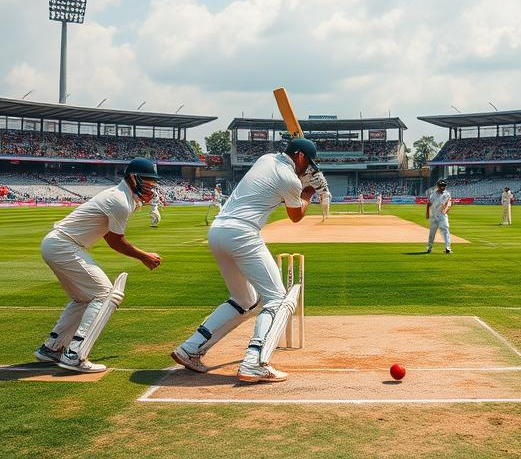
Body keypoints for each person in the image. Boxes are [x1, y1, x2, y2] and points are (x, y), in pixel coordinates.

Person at [171, 138, 327, 383]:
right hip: (241, 233)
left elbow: (279, 180)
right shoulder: (290, 179)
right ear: (298, 156)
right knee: (277, 298)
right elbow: (296, 215)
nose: (307, 169)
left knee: (245, 300)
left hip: (217, 231)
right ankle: (254, 361)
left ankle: (191, 348)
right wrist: (309, 191)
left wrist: (302, 182)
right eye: (307, 163)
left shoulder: (265, 159)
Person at [35, 158, 162, 373]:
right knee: (105, 294)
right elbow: (114, 240)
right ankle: (75, 353)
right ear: (133, 177)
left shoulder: (123, 197)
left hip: (57, 244)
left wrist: (142, 202)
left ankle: (52, 347)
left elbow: (110, 231)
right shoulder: (119, 200)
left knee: (84, 298)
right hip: (64, 245)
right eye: (148, 180)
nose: (151, 184)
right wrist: (144, 256)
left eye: (153, 181)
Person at [426, 179, 453, 254]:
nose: (443, 187)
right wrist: (427, 213)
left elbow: (449, 203)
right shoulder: (433, 194)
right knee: (432, 233)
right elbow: (428, 204)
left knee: (446, 230)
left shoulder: (447, 194)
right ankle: (429, 247)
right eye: (441, 186)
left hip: (442, 216)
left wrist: (445, 210)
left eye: (444, 186)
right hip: (433, 216)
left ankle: (448, 247)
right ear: (438, 186)